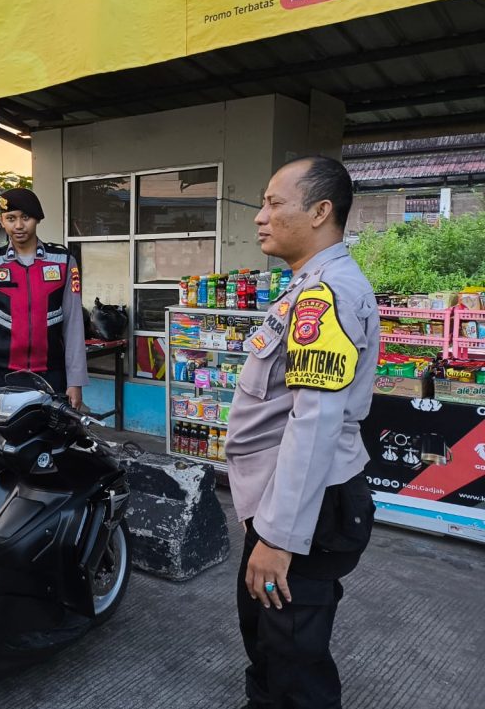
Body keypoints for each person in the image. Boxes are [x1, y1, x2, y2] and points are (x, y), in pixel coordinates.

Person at [225, 156, 380, 709]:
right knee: (269, 644)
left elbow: (314, 424)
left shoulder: (325, 294)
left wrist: (279, 539)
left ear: (320, 212)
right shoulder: (308, 285)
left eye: (273, 203)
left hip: (307, 511)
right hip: (286, 501)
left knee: (292, 660)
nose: (260, 217)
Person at [0, 187, 88, 407]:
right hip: (0, 378)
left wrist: (76, 381)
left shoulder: (63, 261)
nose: (18, 226)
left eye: (25, 218)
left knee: (52, 440)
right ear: (2, 221)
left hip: (52, 377)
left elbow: (74, 325)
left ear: (37, 219)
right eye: (11, 218)